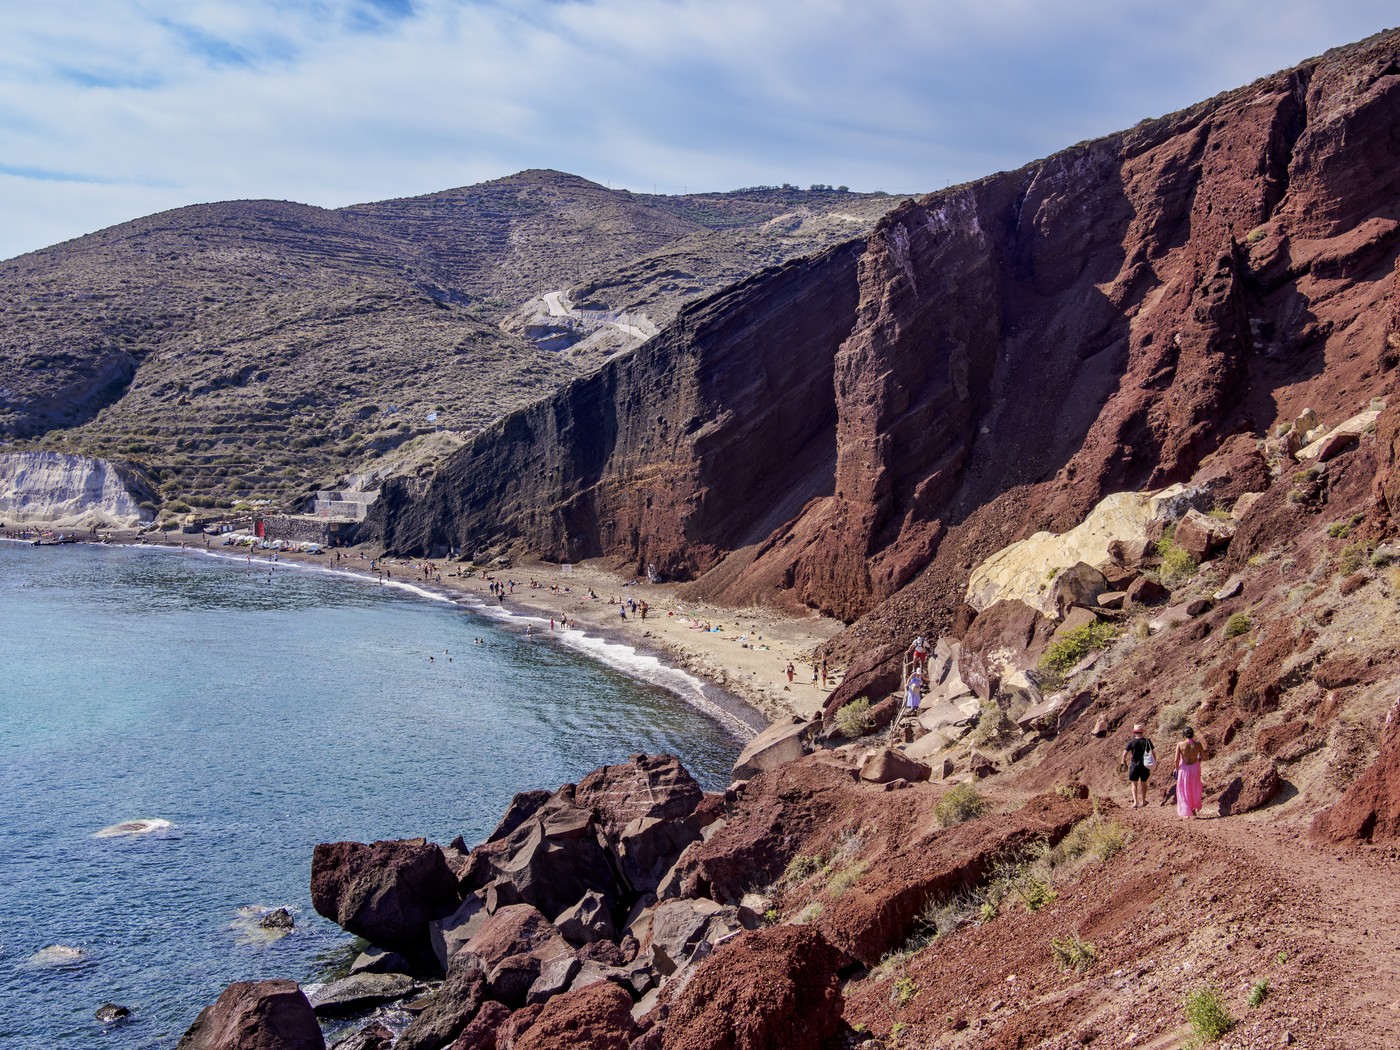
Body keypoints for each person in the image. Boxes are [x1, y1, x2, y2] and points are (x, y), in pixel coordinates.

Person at [1174, 727, 1206, 818]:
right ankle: (1193, 808)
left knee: (1183, 788)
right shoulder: (1198, 745)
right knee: (1195, 787)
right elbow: (1205, 757)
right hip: (1195, 768)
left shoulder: (1180, 744)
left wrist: (1177, 769)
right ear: (1193, 734)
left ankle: (1186, 811)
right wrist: (1198, 758)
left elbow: (1176, 760)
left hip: (1184, 769)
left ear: (1183, 735)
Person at [1122, 724, 1156, 809]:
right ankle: (1143, 801)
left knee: (1134, 784)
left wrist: (1123, 761)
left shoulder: (1131, 742)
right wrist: (1155, 762)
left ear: (1135, 732)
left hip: (1134, 765)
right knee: (1143, 783)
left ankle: (1135, 802)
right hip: (1145, 765)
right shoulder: (1147, 741)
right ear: (1142, 732)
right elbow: (1153, 753)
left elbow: (1125, 754)